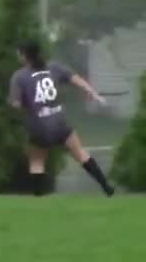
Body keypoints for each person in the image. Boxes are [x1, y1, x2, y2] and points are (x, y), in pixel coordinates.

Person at [8, 40, 115, 197]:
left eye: (19, 53)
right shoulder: (54, 67)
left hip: (39, 126)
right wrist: (92, 92)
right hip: (59, 123)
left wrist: (19, 103)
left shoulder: (19, 76)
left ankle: (38, 198)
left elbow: (16, 104)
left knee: (37, 161)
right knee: (80, 154)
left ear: (24, 56)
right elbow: (77, 80)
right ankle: (106, 187)